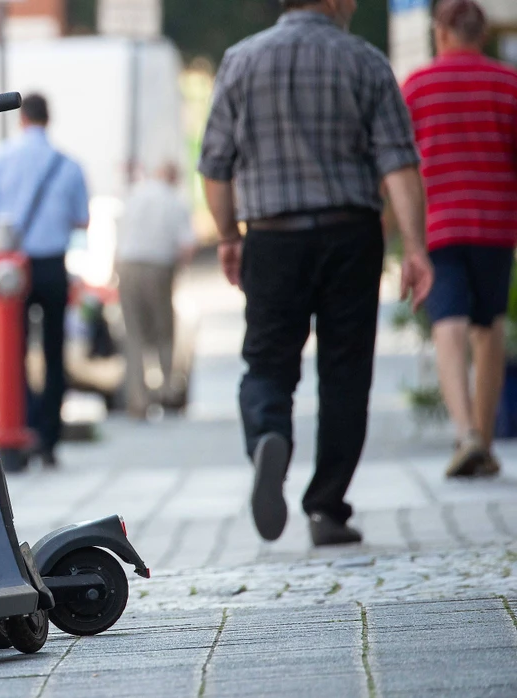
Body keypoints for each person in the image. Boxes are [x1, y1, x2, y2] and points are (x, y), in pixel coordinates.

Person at [198, 0, 435, 546]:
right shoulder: (365, 60)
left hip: (273, 236)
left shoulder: (240, 61)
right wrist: (416, 247)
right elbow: (399, 163)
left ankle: (269, 434)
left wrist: (229, 236)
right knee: (346, 372)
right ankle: (327, 508)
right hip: (351, 233)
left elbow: (214, 166)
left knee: (267, 361)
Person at [402, 0, 517, 479]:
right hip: (496, 224)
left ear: (443, 34)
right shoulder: (508, 84)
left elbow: (399, 163)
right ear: (481, 35)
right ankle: (484, 441)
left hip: (439, 226)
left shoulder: (417, 86)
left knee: (447, 322)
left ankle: (466, 433)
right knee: (489, 326)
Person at [0, 93, 90, 468]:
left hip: (13, 266)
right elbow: (82, 220)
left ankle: (20, 425)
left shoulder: (1, 158)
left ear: (22, 119)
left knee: (13, 350)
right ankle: (49, 438)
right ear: (48, 119)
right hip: (53, 264)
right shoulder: (69, 165)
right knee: (55, 351)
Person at [116, 163, 198, 418]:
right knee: (164, 331)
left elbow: (120, 233)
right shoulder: (174, 200)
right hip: (159, 266)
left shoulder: (135, 195)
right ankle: (167, 391)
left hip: (128, 266)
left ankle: (137, 399)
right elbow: (186, 245)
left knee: (134, 334)